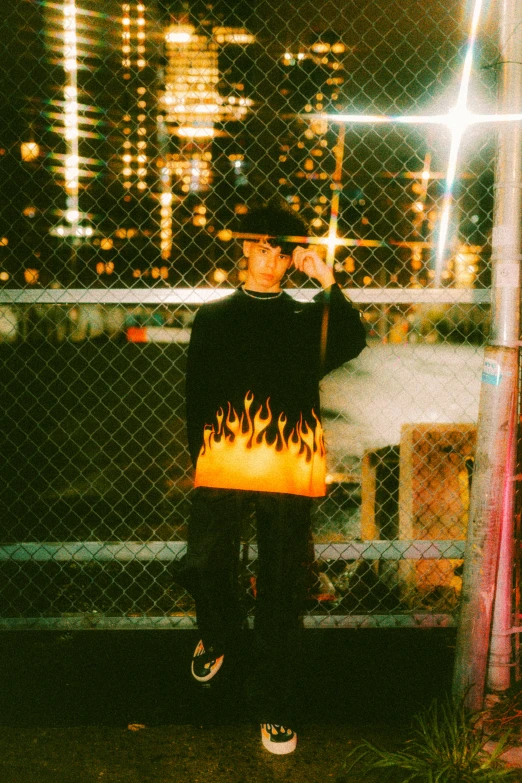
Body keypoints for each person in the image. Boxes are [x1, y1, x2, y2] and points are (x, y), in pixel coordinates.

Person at [182, 203, 367, 755]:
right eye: (261, 248)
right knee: (207, 561)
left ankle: (275, 704)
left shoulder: (305, 317)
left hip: (289, 462)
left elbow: (354, 339)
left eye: (282, 252)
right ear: (244, 250)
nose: (270, 261)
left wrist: (326, 279)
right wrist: (203, 457)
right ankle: (218, 634)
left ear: (293, 259)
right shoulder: (213, 318)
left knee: (283, 585)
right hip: (224, 458)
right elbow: (197, 396)